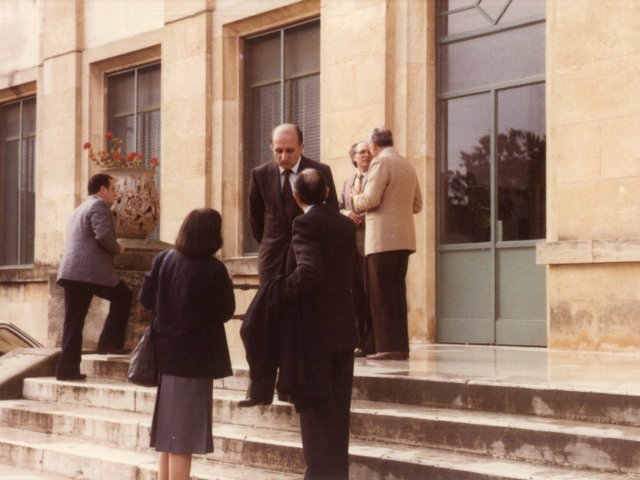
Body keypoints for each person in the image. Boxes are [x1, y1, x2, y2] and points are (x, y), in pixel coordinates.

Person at [139, 208, 235, 480]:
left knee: (168, 433)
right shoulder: (214, 269)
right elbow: (226, 311)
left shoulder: (162, 260)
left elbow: (145, 299)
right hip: (196, 361)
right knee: (182, 436)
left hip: (165, 356)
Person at [283, 168, 358, 479]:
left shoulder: (303, 222)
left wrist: (281, 290)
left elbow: (309, 271)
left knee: (315, 410)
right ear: (327, 191)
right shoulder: (345, 224)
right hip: (342, 327)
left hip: (314, 331)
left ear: (297, 196)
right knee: (339, 410)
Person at [352, 127, 422, 361]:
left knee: (380, 295)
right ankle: (401, 347)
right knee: (396, 294)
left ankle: (386, 347)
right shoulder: (407, 165)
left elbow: (370, 199)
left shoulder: (380, 163)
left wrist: (355, 197)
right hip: (404, 240)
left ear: (373, 144)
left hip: (381, 240)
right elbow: (417, 205)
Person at [56, 173, 132, 381]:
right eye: (113, 188)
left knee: (73, 321)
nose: (115, 193)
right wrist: (118, 248)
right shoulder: (99, 206)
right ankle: (109, 343)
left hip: (72, 271)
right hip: (88, 273)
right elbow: (103, 235)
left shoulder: (79, 208)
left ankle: (67, 369)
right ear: (102, 189)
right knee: (124, 295)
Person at [248, 123, 339, 285]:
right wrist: (269, 243)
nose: (283, 156)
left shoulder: (320, 171)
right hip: (272, 260)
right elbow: (256, 218)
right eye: (278, 151)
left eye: (289, 150)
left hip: (309, 258)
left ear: (301, 147)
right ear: (271, 147)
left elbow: (331, 213)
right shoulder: (260, 174)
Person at [339, 142, 375, 357]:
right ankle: (360, 341)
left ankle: (373, 342)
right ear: (353, 158)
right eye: (361, 152)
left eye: (369, 151)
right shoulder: (347, 182)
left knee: (372, 294)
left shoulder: (376, 177)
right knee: (356, 296)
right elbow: (339, 206)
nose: (366, 155)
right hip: (351, 246)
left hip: (372, 243)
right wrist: (345, 214)